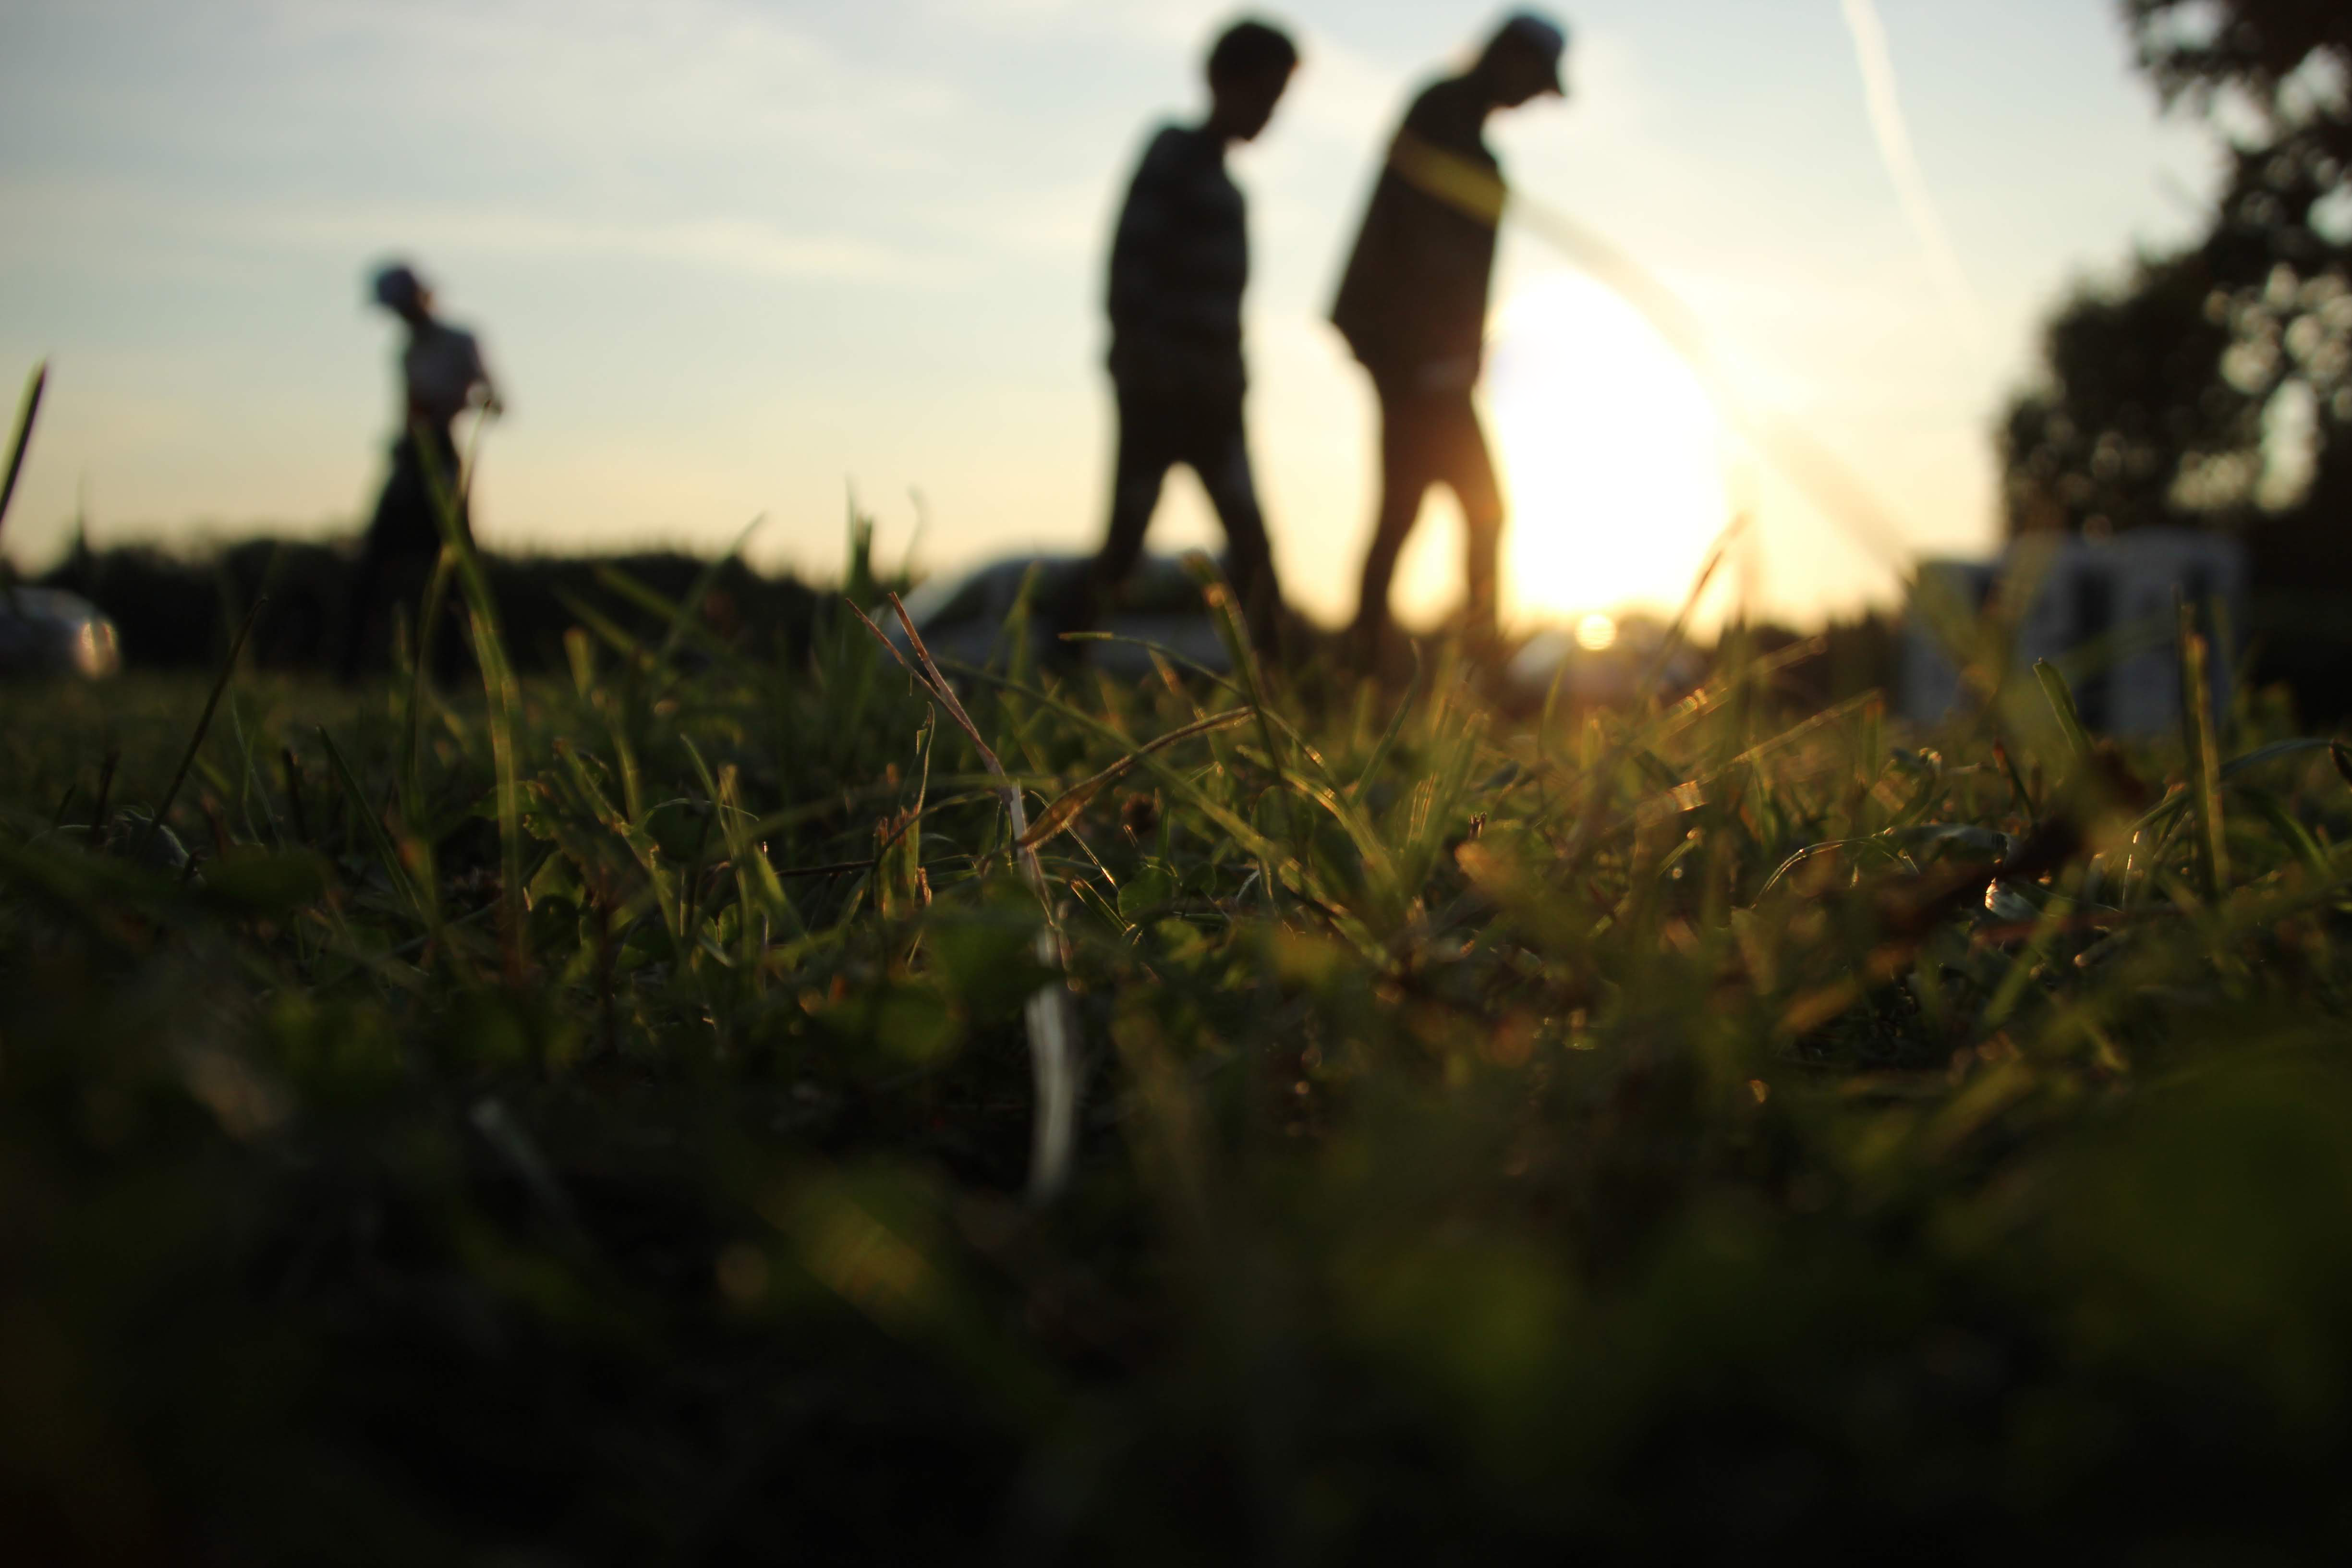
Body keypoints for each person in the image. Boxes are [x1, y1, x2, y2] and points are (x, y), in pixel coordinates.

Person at [1053, 17, 1300, 663]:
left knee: (1252, 548)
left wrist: (1232, 383)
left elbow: (1227, 313)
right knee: (1125, 543)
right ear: (1225, 82)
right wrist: (1144, 369)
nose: (1270, 113)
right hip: (1160, 395)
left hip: (1216, 403)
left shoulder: (1228, 187)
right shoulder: (1173, 155)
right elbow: (1129, 269)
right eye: (1265, 95)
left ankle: (1281, 693)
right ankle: (1054, 661)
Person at [1333, 12, 1568, 662]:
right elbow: (1421, 238)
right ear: (1508, 58)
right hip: (1415, 356)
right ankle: (1473, 670)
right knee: (1475, 507)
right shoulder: (1441, 114)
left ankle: (1368, 661)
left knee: (1408, 510)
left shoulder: (1469, 139)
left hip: (1430, 358)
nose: (1530, 99)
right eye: (1534, 79)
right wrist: (1433, 355)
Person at [341, 260, 501, 681]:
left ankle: (457, 674)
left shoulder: (459, 340)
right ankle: (352, 671)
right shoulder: (405, 349)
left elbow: (494, 400)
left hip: (443, 460)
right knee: (373, 566)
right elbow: (407, 410)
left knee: (453, 570)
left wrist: (452, 405)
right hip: (408, 457)